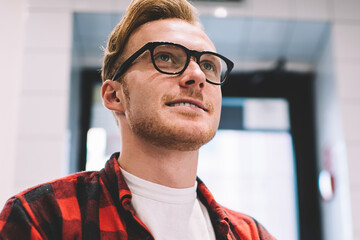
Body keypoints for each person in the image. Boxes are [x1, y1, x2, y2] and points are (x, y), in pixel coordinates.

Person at [0, 0, 275, 239]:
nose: (197, 76)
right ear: (114, 96)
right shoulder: (44, 218)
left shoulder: (252, 234)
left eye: (207, 65)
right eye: (165, 57)